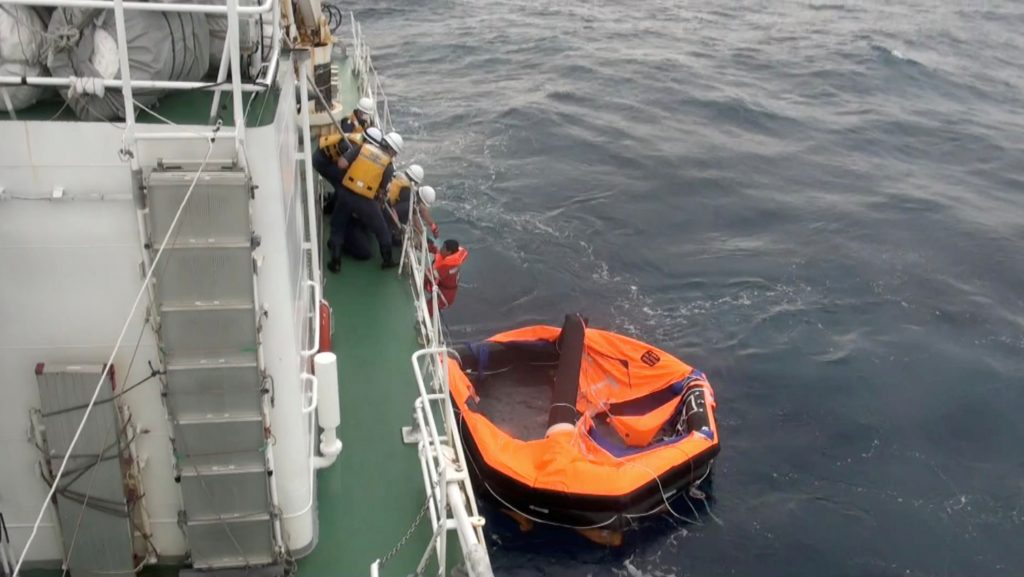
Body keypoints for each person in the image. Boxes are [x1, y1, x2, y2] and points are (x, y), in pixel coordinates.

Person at [326, 130, 405, 273]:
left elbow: (342, 164)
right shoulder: (388, 165)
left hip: (345, 193)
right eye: (395, 153)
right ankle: (387, 260)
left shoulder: (362, 148)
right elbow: (381, 191)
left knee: (338, 226)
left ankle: (335, 262)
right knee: (382, 230)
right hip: (365, 200)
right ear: (392, 150)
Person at [426, 239, 468, 313]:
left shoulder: (448, 267)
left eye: (443, 248)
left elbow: (430, 274)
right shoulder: (449, 257)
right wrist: (430, 247)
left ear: (449, 252)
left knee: (428, 309)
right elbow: (438, 252)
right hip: (442, 285)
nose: (441, 249)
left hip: (446, 296)